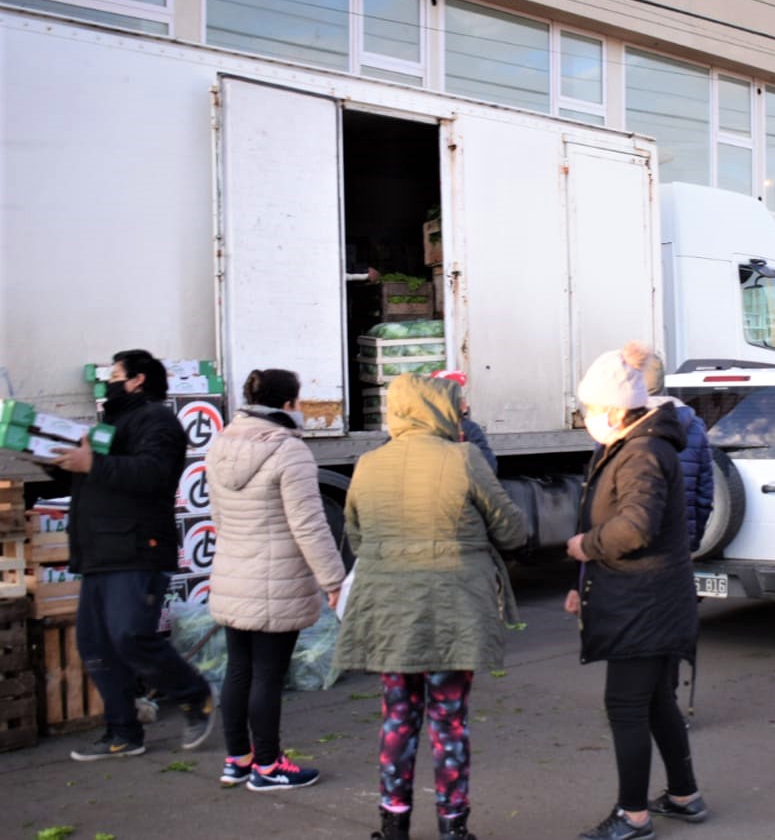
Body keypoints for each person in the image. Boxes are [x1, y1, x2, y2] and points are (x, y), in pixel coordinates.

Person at [332, 374, 527, 840]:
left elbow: (357, 538)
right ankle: (453, 829)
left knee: (397, 715)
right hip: (453, 610)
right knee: (448, 719)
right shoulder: (464, 459)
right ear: (442, 408)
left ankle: (392, 824)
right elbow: (513, 532)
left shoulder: (368, 464)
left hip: (389, 610)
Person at [565, 349, 706, 840]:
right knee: (655, 702)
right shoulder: (635, 444)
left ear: (614, 410)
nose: (586, 420)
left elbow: (634, 527)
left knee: (627, 706)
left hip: (643, 601)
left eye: (589, 410)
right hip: (650, 595)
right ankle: (684, 795)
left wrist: (586, 547)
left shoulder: (643, 451)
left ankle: (633, 815)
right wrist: (580, 583)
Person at [48, 349, 217, 761]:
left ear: (138, 379)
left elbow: (153, 475)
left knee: (130, 634)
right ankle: (123, 732)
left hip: (138, 548)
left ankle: (195, 695)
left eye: (116, 374)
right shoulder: (109, 424)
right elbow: (94, 474)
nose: (109, 380)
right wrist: (59, 460)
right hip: (99, 551)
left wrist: (93, 464)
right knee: (96, 645)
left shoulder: (157, 421)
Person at [205, 369, 347, 791]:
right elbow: (309, 525)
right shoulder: (289, 451)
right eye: (299, 401)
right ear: (287, 405)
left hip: (233, 573)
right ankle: (269, 766)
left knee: (239, 670)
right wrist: (334, 581)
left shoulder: (222, 445)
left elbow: (217, 517)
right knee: (268, 674)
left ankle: (238, 759)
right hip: (278, 579)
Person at [621, 341, 714, 554]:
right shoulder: (694, 426)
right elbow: (704, 494)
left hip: (627, 548)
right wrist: (692, 540)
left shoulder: (618, 427)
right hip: (677, 544)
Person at [429, 369, 498, 472]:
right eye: (460, 396)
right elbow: (489, 466)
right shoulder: (468, 428)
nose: (464, 401)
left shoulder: (420, 426)